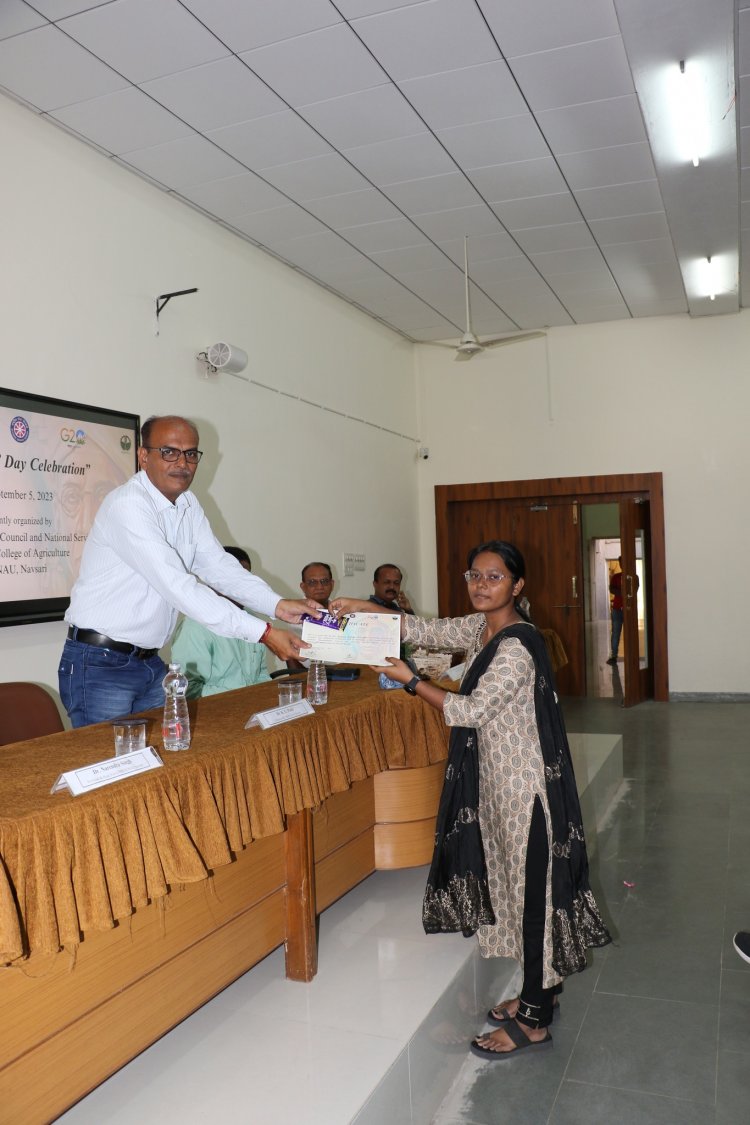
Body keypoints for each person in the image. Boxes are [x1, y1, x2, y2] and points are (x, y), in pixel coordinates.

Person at [331, 540, 611, 1059]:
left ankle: (534, 1019)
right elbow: (425, 629)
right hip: (497, 788)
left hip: (527, 795)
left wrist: (409, 680)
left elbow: (472, 710)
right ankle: (538, 989)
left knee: (533, 903)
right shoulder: (483, 629)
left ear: (517, 585)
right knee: (515, 891)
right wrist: (364, 608)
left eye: (494, 577)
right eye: (474, 576)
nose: (481, 586)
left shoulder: (516, 646)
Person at [59, 415, 319, 727]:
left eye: (191, 454)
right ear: (144, 456)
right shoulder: (128, 505)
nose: (182, 463)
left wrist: (277, 605)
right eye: (169, 451)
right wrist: (263, 633)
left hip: (149, 662)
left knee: (164, 762)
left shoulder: (188, 504)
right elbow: (178, 586)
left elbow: (218, 566)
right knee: (110, 768)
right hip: (99, 663)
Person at [171, 546, 271, 697]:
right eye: (236, 577)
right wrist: (243, 696)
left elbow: (261, 674)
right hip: (215, 710)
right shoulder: (195, 625)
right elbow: (188, 689)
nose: (244, 584)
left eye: (246, 576)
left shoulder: (253, 620)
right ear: (215, 580)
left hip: (251, 705)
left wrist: (269, 696)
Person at [286, 562, 335, 672]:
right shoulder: (294, 617)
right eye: (312, 582)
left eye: (324, 581)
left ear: (332, 584)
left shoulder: (343, 613)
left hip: (348, 672)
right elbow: (306, 662)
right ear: (303, 587)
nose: (320, 587)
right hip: (313, 677)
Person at [607, 557, 624, 665]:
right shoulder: (616, 577)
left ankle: (632, 654)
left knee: (631, 633)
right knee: (616, 633)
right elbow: (612, 589)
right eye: (621, 563)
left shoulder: (633, 577)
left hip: (629, 609)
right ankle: (613, 656)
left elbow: (634, 589)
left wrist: (621, 591)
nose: (622, 564)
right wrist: (623, 592)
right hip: (617, 609)